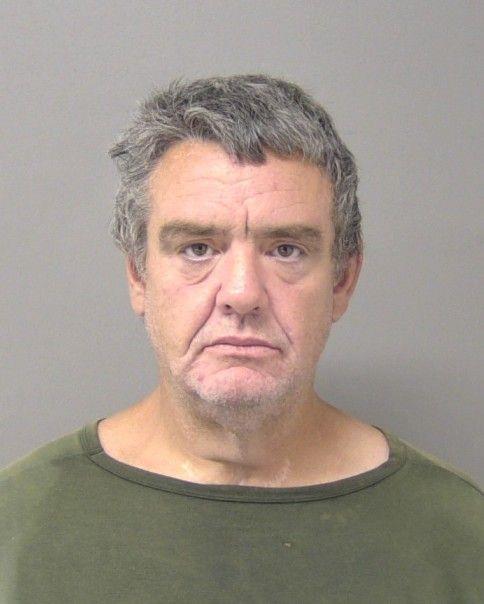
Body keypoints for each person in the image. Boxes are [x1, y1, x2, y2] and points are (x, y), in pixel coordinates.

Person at [1, 74, 482, 603]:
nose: (242, 293)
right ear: (138, 275)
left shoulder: (461, 536)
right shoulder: (16, 527)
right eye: (198, 248)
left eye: (285, 250)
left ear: (342, 281)